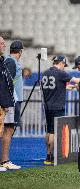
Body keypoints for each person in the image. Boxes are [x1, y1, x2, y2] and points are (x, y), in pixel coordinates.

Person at [42, 55, 80, 165]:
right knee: (54, 132)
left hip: (47, 106)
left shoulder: (45, 73)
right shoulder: (61, 73)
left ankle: (47, 155)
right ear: (61, 63)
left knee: (49, 131)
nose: (64, 67)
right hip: (57, 106)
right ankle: (51, 156)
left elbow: (57, 86)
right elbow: (76, 80)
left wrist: (70, 87)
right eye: (64, 65)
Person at [0, 40, 24, 170]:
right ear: (20, 51)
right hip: (11, 100)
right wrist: (8, 100)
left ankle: (5, 160)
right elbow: (6, 81)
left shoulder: (9, 60)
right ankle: (4, 160)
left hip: (12, 100)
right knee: (8, 129)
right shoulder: (10, 61)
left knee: (9, 129)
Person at [0, 36, 17, 171]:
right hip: (2, 102)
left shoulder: (3, 62)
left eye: (4, 43)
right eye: (1, 43)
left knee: (5, 130)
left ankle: (4, 161)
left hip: (5, 102)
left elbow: (6, 85)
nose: (4, 46)